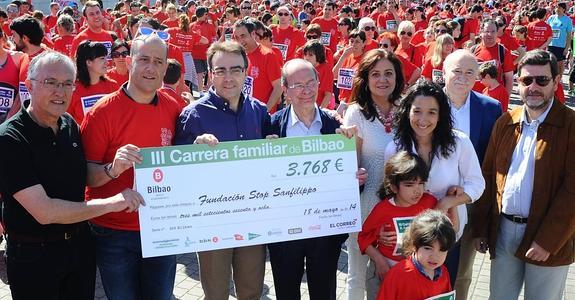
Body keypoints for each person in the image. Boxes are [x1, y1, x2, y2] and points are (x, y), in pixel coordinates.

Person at [0, 51, 142, 300]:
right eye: (51, 82)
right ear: (28, 86)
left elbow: (82, 176)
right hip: (34, 255)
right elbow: (45, 211)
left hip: (78, 248)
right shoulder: (10, 138)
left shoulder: (69, 124)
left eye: (67, 84)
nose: (60, 91)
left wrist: (113, 169)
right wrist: (113, 203)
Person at [80, 34, 181, 300]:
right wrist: (113, 169)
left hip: (160, 226)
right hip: (115, 231)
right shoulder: (101, 113)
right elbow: (87, 178)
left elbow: (184, 160)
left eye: (158, 62)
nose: (151, 68)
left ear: (165, 67)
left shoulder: (173, 107)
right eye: (144, 59)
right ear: (129, 61)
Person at [473, 49, 575, 300]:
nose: (534, 87)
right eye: (526, 80)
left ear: (555, 81)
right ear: (517, 81)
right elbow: (489, 175)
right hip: (504, 230)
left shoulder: (571, 125)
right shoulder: (506, 121)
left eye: (542, 80)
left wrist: (549, 240)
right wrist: (481, 228)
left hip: (548, 236)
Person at [174, 41, 270, 300]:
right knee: (216, 294)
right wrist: (194, 149)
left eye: (235, 69)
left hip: (252, 216)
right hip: (212, 220)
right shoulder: (192, 115)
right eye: (220, 70)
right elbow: (177, 172)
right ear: (209, 74)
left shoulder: (259, 111)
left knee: (251, 292)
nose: (228, 77)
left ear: (246, 72)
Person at [384, 80, 485, 287]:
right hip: (408, 236)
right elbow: (389, 192)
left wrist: (449, 202)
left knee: (440, 289)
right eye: (417, 111)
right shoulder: (395, 147)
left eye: (431, 112)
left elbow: (477, 184)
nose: (423, 119)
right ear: (407, 111)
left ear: (441, 115)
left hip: (447, 234)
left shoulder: (459, 142)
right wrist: (383, 229)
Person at [266, 58, 350, 300]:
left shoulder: (335, 126)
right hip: (285, 231)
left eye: (310, 83)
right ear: (285, 89)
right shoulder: (271, 126)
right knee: (286, 292)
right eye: (297, 85)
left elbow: (348, 174)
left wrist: (356, 177)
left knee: (324, 293)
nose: (305, 90)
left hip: (324, 231)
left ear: (319, 83)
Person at [342, 49, 404, 300]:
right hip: (364, 206)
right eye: (375, 74)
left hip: (400, 206)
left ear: (397, 77)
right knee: (357, 274)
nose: (383, 80)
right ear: (365, 79)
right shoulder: (355, 112)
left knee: (394, 271)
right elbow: (352, 166)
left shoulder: (407, 108)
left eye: (389, 73)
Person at [441, 49, 502, 299]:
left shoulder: (491, 108)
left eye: (469, 72)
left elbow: (492, 160)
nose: (462, 78)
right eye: (456, 71)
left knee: (462, 273)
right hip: (429, 201)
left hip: (469, 202)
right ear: (444, 72)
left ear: (478, 76)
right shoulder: (424, 102)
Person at [358, 151, 446, 296]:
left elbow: (446, 228)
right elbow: (363, 237)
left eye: (421, 183)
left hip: (416, 274)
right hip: (385, 270)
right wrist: (379, 261)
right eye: (409, 185)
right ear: (393, 187)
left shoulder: (429, 203)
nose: (417, 190)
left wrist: (453, 198)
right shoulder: (383, 209)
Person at [378, 209, 456, 300]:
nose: (435, 257)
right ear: (414, 245)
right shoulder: (398, 274)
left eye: (442, 250)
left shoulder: (444, 273)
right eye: (428, 248)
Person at [232, 18, 282, 112]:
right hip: (244, 113)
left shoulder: (268, 55)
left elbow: (278, 88)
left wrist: (264, 112)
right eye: (237, 37)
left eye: (243, 36)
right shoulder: (238, 56)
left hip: (262, 117)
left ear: (253, 34)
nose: (240, 41)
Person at [68, 40, 118, 124]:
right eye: (102, 58)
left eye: (106, 57)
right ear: (88, 62)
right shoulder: (72, 90)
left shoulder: (112, 86)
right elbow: (67, 121)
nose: (107, 61)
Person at [302, 39, 334, 108]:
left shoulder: (326, 69)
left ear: (319, 56)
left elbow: (328, 95)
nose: (306, 58)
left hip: (318, 108)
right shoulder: (304, 67)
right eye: (305, 54)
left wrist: (320, 112)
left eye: (310, 55)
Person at [546, 2, 572, 79]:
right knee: (550, 62)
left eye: (559, 8)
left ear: (563, 9)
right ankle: (551, 78)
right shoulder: (551, 18)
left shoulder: (567, 20)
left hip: (561, 45)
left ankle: (559, 78)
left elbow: (569, 35)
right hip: (551, 44)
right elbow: (547, 31)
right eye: (556, 7)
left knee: (559, 64)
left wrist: (567, 48)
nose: (557, 9)